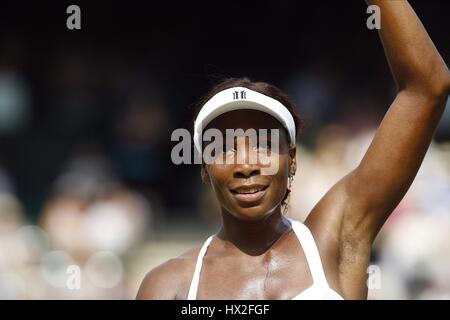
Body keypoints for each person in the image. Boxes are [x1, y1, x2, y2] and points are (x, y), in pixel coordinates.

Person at [136, 0, 450, 300]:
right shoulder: (168, 285)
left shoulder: (335, 241)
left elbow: (428, 87)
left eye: (265, 145)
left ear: (293, 159)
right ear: (205, 167)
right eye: (225, 149)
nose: (246, 164)